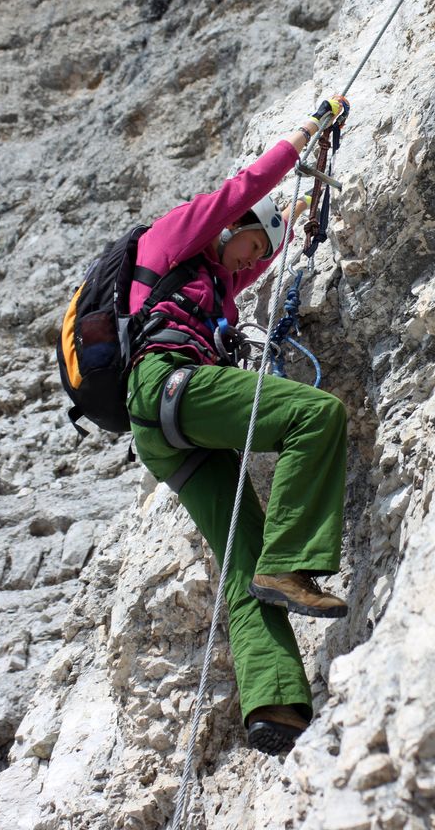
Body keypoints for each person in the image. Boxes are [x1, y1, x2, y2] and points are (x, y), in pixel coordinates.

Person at [125, 96, 350, 756]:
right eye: (250, 239)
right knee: (316, 414)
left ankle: (275, 707)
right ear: (230, 230)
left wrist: (302, 216)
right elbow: (240, 193)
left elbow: (255, 259)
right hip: (172, 386)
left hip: (167, 432)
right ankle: (296, 563)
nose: (251, 257)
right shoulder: (169, 241)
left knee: (244, 560)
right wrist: (304, 138)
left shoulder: (214, 282)